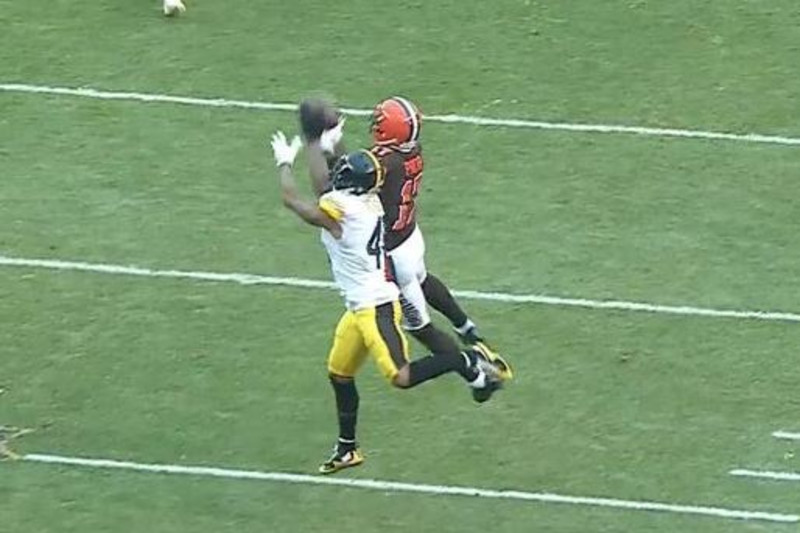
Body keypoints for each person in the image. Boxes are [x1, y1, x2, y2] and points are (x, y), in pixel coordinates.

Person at [268, 132, 503, 474]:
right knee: (339, 372)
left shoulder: (346, 213)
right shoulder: (368, 202)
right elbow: (331, 180)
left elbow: (293, 199)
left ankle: (465, 360)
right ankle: (348, 448)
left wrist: (286, 161)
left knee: (401, 376)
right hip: (359, 307)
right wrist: (324, 144)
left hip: (375, 306)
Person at [301, 98, 512, 381]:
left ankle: (476, 372)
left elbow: (333, 183)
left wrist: (319, 139)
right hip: (410, 237)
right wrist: (335, 138)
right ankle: (466, 327)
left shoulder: (384, 162)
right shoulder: (411, 151)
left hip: (393, 255)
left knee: (419, 327)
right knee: (423, 279)